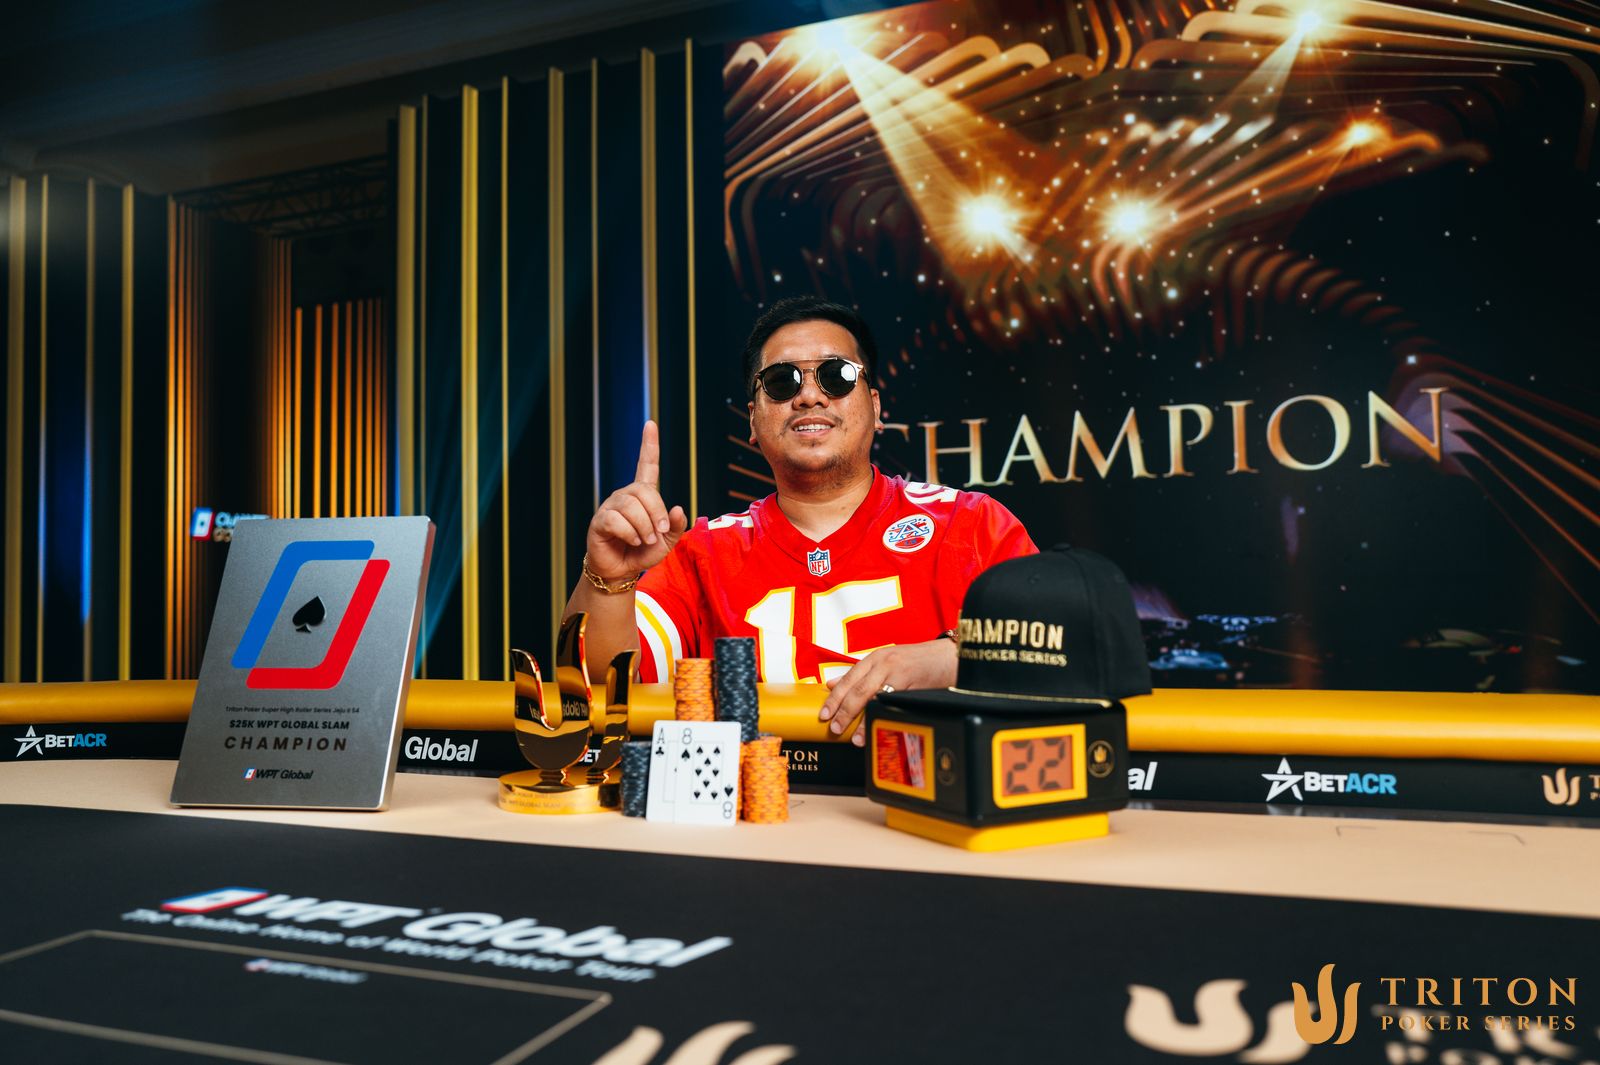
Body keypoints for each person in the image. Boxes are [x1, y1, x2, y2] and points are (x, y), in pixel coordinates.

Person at [562, 296, 1037, 744]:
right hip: (754, 801)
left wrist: (955, 659)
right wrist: (608, 578)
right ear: (753, 420)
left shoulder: (969, 524)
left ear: (875, 407)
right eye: (781, 381)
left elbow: (1059, 650)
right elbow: (600, 684)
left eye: (837, 376)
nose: (810, 395)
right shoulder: (700, 552)